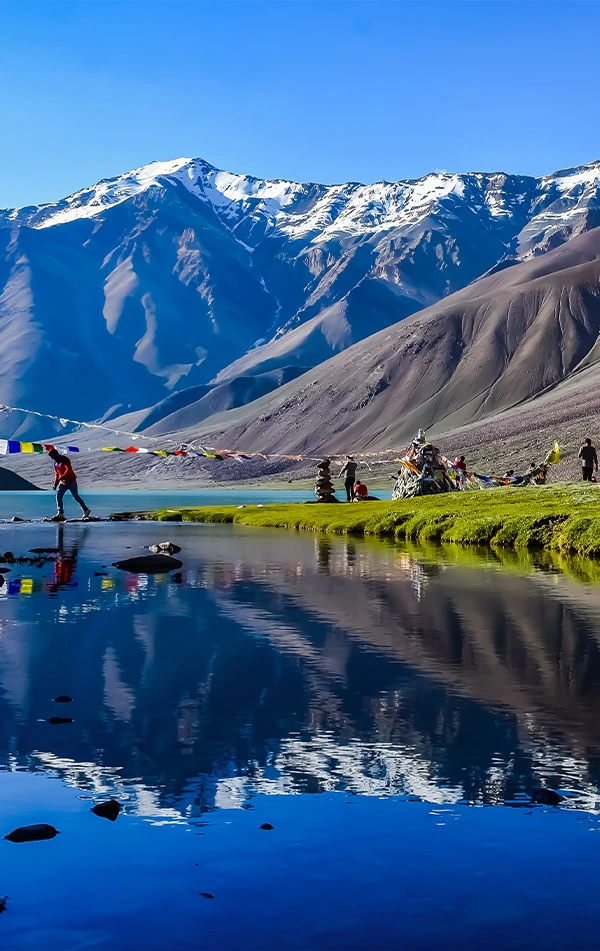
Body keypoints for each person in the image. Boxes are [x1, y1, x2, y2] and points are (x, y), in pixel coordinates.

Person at [48, 448, 91, 521]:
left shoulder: (65, 459)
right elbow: (57, 474)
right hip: (63, 483)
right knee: (58, 496)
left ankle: (86, 510)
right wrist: (55, 484)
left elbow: (68, 469)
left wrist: (62, 476)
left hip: (71, 481)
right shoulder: (55, 463)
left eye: (53, 457)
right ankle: (60, 513)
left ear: (56, 454)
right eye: (51, 457)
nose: (52, 458)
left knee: (75, 497)